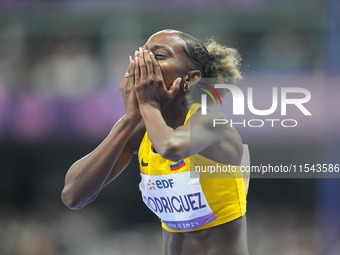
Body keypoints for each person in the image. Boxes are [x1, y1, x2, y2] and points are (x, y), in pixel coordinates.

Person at [62, 29, 249, 255]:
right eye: (142, 55)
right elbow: (73, 195)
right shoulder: (142, 132)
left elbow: (172, 147)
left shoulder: (213, 124)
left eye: (158, 56)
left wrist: (148, 105)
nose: (144, 64)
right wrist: (129, 118)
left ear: (191, 78)